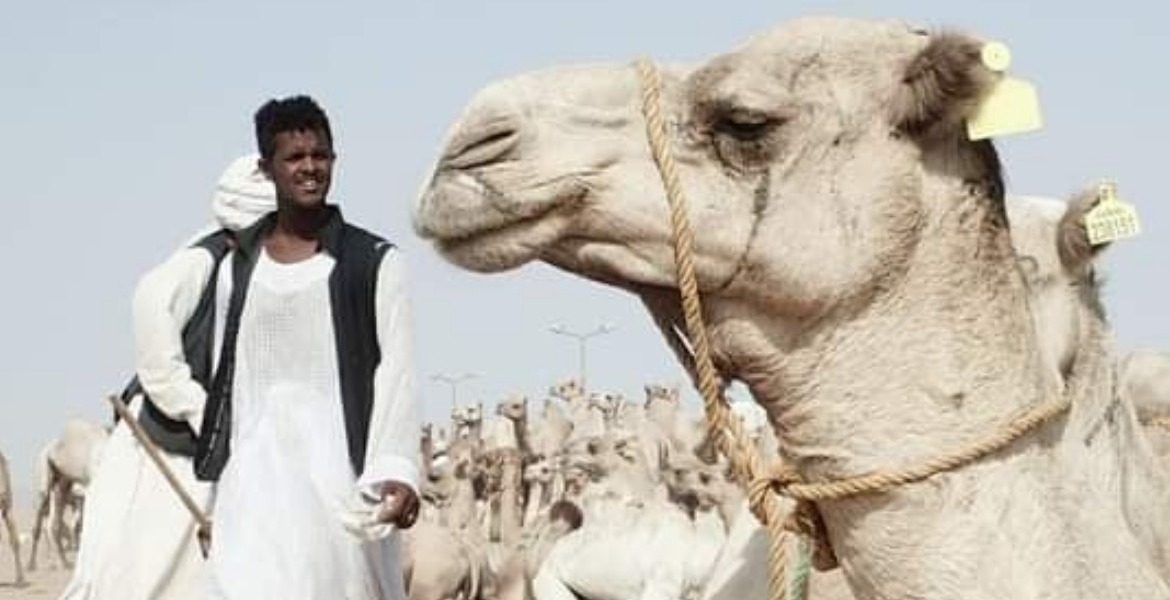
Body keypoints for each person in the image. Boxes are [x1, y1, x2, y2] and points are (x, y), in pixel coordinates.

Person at [194, 95, 420, 600]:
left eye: (320, 155)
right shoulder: (238, 268)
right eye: (294, 158)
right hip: (254, 485)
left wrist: (397, 471)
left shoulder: (374, 263)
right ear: (266, 169)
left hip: (339, 483)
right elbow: (227, 384)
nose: (310, 168)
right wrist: (215, 500)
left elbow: (397, 376)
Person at [58, 155, 277, 600]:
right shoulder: (199, 263)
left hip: (222, 465)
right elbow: (153, 325)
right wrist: (205, 415)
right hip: (164, 461)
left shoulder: (262, 277)